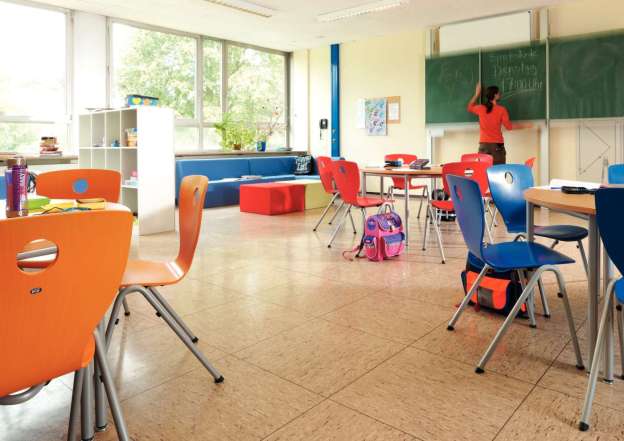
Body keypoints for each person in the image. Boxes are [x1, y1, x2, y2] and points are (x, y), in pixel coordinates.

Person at [467, 83, 531, 165]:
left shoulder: (480, 108)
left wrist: (477, 94)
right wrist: (525, 125)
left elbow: (469, 107)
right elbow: (509, 127)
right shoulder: (501, 110)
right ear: (495, 95)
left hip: (484, 145)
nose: (500, 94)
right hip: (497, 146)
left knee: (483, 172)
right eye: (498, 93)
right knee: (499, 172)